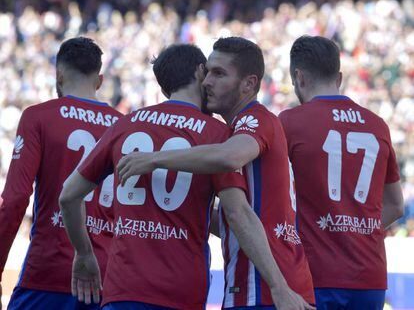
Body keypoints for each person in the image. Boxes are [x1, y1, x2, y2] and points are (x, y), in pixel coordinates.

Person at [59, 43, 311, 310]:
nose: (210, 82)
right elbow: (236, 213)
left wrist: (85, 254)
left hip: (123, 288)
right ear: (198, 73)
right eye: (209, 74)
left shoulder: (126, 123)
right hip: (183, 290)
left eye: (218, 74)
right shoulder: (215, 134)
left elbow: (67, 196)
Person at [278, 35, 405, 309]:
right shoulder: (377, 125)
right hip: (370, 276)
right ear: (340, 76)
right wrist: (354, 230)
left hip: (315, 274)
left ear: (299, 77)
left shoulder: (289, 123)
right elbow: (396, 205)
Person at [0, 37, 122, 309]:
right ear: (99, 81)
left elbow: (16, 199)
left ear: (58, 75)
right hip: (105, 276)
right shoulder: (123, 126)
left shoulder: (38, 117)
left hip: (48, 271)